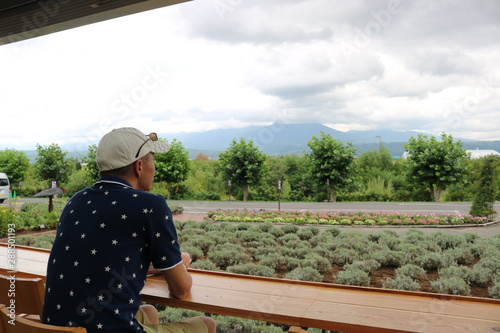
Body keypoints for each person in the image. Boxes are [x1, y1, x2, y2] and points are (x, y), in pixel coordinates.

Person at [42, 127, 216, 333]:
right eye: (153, 161)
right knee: (207, 325)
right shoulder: (151, 205)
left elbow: (103, 257)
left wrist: (158, 266)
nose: (154, 168)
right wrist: (180, 267)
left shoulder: (77, 200)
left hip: (57, 328)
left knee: (148, 311)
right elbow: (181, 289)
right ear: (139, 166)